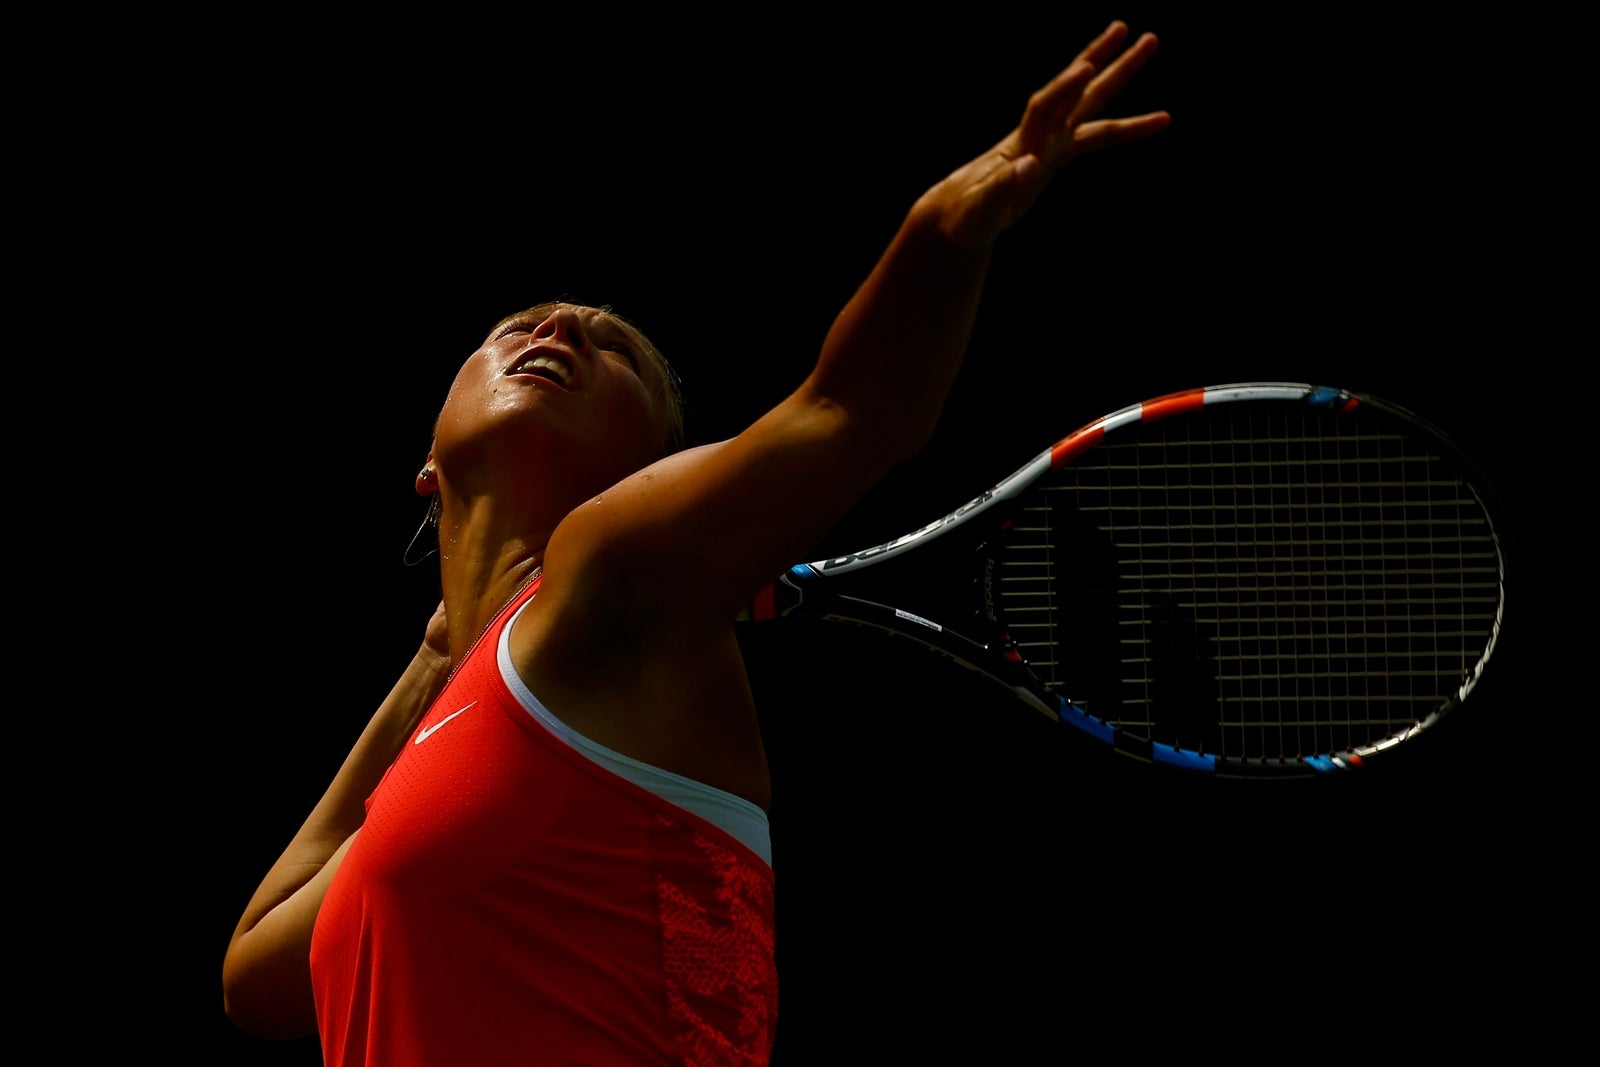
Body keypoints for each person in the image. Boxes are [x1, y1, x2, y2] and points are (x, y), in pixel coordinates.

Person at [221, 20, 1169, 1066]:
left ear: (660, 473)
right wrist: (436, 660)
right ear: (427, 475)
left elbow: (849, 413)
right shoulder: (475, 710)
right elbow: (259, 976)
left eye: (612, 348)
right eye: (519, 324)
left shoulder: (610, 573)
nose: (562, 329)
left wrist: (944, 232)